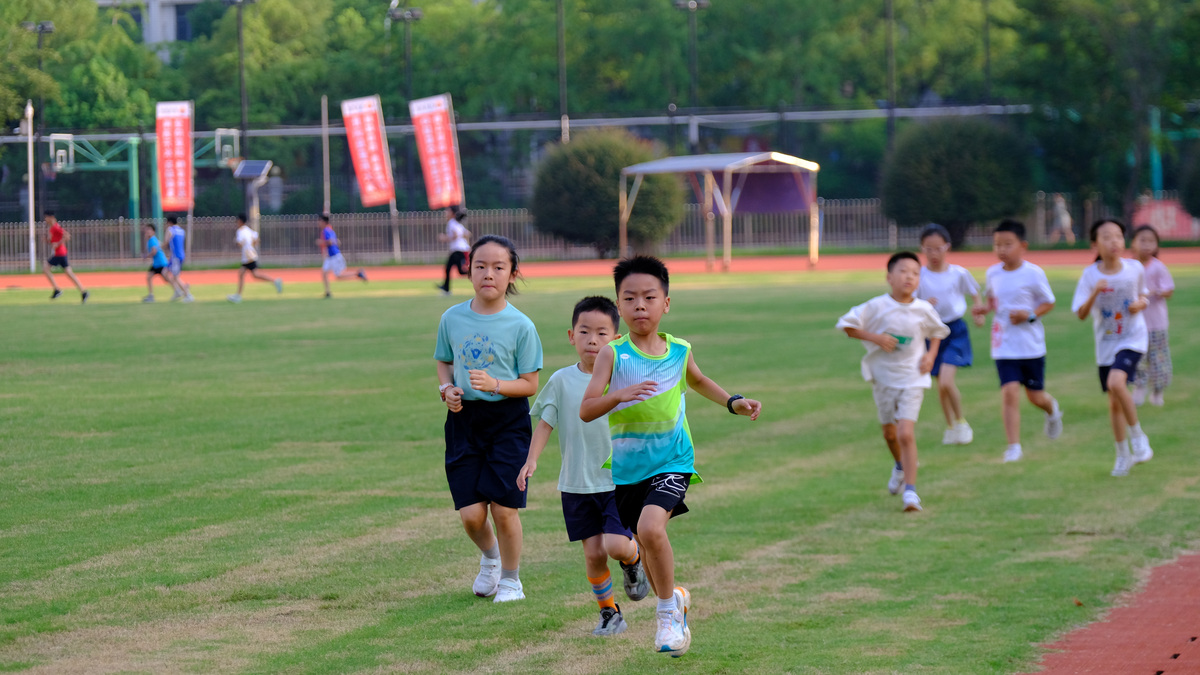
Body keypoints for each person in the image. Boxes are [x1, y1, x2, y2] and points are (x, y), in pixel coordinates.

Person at [580, 255, 762, 657]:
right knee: (646, 543)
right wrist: (618, 395)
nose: (639, 306)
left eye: (649, 297)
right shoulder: (613, 355)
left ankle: (666, 616)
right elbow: (587, 408)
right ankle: (675, 597)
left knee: (650, 528)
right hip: (628, 469)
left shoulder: (679, 351)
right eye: (629, 298)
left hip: (673, 460)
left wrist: (732, 401)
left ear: (666, 303)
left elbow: (697, 380)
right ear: (619, 305)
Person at [517, 296, 650, 636]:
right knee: (593, 555)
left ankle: (634, 561)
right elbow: (546, 423)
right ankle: (610, 613)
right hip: (576, 484)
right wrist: (531, 460)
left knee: (616, 546)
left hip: (617, 481)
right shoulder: (561, 381)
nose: (593, 340)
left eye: (602, 333)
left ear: (616, 339)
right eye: (585, 331)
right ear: (570, 335)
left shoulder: (622, 378)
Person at [434, 235, 543, 604]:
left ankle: (512, 581)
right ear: (468, 270)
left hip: (508, 422)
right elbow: (444, 361)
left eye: (499, 267)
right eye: (480, 265)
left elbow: (530, 384)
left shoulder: (521, 326)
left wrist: (496, 384)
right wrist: (446, 390)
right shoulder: (452, 318)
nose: (488, 274)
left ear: (512, 273)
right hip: (464, 420)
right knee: (470, 516)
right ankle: (491, 559)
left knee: (504, 507)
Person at [838, 251, 950, 512]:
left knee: (905, 433)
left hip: (913, 378)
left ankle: (911, 493)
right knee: (890, 434)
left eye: (915, 273)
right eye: (903, 271)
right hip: (883, 378)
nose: (909, 277)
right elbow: (848, 326)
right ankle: (899, 466)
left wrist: (931, 356)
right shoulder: (876, 306)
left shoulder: (924, 309)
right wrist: (876, 338)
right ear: (889, 277)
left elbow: (937, 332)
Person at [972, 220, 1064, 463]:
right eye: (997, 245)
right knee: (1010, 393)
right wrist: (983, 309)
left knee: (1035, 397)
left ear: (1023, 246)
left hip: (1030, 345)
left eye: (1007, 244)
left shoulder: (1033, 273)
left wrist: (1029, 315)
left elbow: (1049, 302)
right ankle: (1014, 446)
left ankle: (1052, 409)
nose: (1001, 249)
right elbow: (993, 301)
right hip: (1003, 345)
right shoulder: (993, 273)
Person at [1071, 219, 1154, 477]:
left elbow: (1144, 296)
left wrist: (1140, 304)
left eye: (1118, 236)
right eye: (1106, 237)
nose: (1114, 242)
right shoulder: (1090, 275)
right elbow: (1081, 314)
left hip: (1133, 337)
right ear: (1095, 244)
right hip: (1106, 343)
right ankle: (1122, 455)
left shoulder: (1134, 268)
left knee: (1117, 384)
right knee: (1113, 403)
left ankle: (1139, 437)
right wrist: (1095, 293)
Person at [916, 224, 983, 445]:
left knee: (946, 381)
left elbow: (974, 292)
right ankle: (951, 427)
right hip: (931, 333)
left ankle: (962, 422)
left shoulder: (958, 273)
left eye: (938, 248)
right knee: (939, 384)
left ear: (947, 247)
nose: (934, 254)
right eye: (929, 249)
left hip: (954, 331)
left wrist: (978, 312)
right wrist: (923, 305)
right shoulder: (920, 276)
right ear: (922, 249)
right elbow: (910, 304)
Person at [1130, 225, 1174, 406]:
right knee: (1137, 358)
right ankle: (1139, 387)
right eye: (1142, 240)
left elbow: (1169, 290)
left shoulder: (1158, 267)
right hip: (1135, 324)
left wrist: (1155, 292)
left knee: (1158, 359)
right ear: (1133, 243)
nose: (1147, 245)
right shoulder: (1129, 266)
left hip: (1156, 324)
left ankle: (1157, 391)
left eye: (1151, 241)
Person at [226, 214, 283, 303]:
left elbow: (240, 243)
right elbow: (257, 239)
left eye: (237, 221)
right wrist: (251, 245)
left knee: (247, 274)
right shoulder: (248, 230)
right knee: (252, 274)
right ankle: (275, 281)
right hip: (251, 255)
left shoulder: (240, 231)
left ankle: (238, 296)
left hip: (248, 257)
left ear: (240, 221)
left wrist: (239, 243)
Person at [41, 212, 89, 304]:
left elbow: (67, 236)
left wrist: (58, 244)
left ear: (51, 217)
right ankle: (84, 292)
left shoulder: (56, 227)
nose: (45, 220)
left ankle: (57, 289)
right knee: (69, 273)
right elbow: (53, 241)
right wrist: (47, 241)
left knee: (45, 268)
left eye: (46, 217)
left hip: (60, 254)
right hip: (61, 253)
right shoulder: (52, 228)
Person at [315, 214, 367, 298]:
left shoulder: (326, 231)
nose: (318, 223)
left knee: (338, 276)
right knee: (324, 273)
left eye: (320, 221)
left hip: (335, 257)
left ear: (324, 222)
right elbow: (337, 241)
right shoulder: (328, 230)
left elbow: (331, 241)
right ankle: (328, 292)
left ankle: (358, 274)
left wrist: (321, 242)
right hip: (330, 257)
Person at [141, 223, 186, 303]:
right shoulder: (152, 239)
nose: (147, 232)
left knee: (167, 278)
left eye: (149, 230)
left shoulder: (152, 240)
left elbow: (154, 251)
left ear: (153, 231)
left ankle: (181, 288)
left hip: (160, 263)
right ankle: (180, 289)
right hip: (157, 263)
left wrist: (146, 256)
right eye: (146, 230)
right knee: (164, 278)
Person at [436, 207, 471, 295]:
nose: (445, 212)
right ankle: (446, 287)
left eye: (447, 211)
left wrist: (444, 238)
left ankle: (446, 289)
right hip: (462, 249)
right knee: (453, 269)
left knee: (458, 270)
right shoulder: (458, 224)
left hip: (458, 250)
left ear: (452, 213)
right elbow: (468, 234)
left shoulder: (451, 223)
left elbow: (455, 235)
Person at [164, 216, 193, 302]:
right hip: (180, 255)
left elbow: (166, 242)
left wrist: (159, 247)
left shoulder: (170, 230)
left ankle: (188, 294)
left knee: (175, 277)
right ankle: (177, 290)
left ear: (169, 222)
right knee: (164, 272)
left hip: (175, 257)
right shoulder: (181, 231)